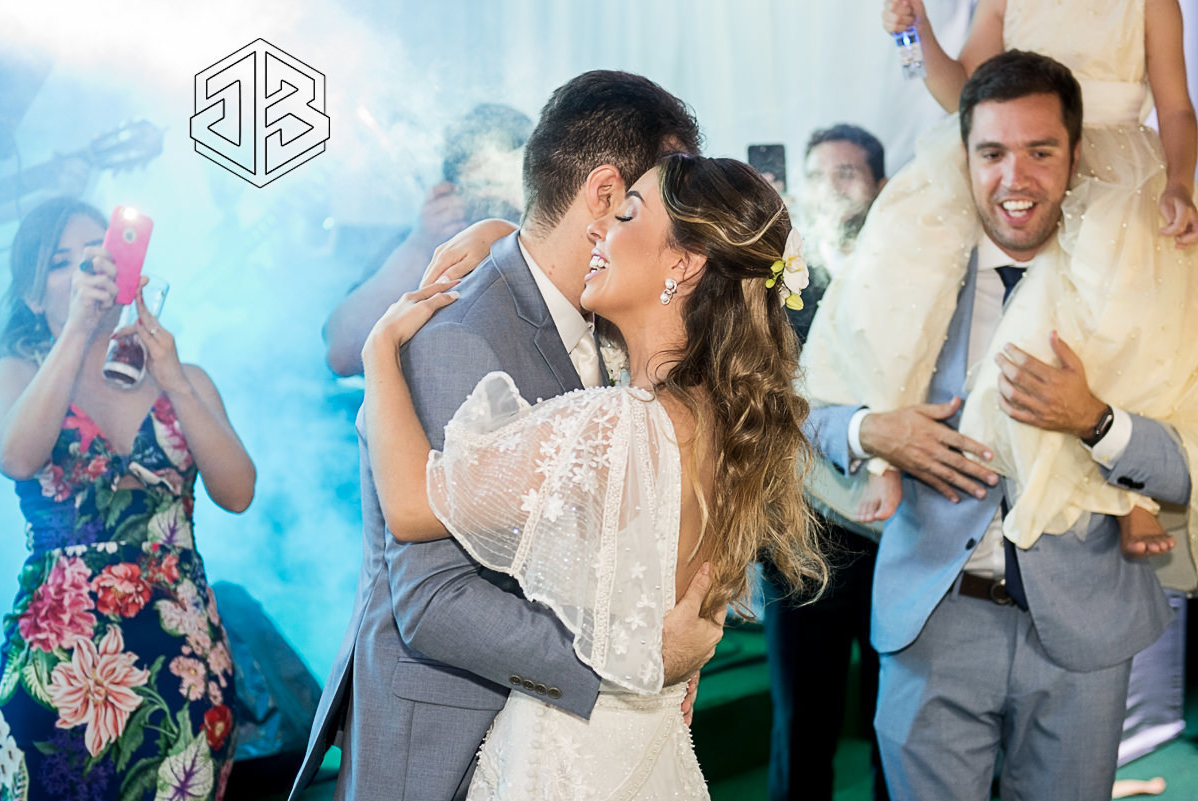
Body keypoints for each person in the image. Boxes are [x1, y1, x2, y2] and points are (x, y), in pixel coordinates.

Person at [289, 71, 724, 801]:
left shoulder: (627, 325)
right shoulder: (460, 335)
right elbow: (431, 599)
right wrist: (628, 665)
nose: (684, 222)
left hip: (573, 743)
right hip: (450, 736)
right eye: (662, 201)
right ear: (606, 196)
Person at [363, 152, 826, 799]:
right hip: (649, 755)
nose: (599, 228)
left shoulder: (613, 428)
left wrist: (380, 352)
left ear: (683, 263)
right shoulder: (724, 425)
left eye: (627, 215)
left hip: (567, 767)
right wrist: (503, 233)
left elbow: (413, 506)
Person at [804, 50, 1195, 801]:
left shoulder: (1138, 289)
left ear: (1076, 157)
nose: (1015, 177)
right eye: (993, 153)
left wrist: (1097, 422)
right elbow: (809, 411)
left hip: (1085, 636)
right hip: (934, 626)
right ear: (965, 158)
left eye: (1040, 151)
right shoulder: (907, 272)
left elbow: (1183, 468)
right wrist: (871, 432)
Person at [807, 0, 1197, 560]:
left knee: (1124, 318)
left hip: (1114, 174)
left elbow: (1177, 107)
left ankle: (1131, 497)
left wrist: (1179, 183)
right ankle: (884, 449)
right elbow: (962, 94)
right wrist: (919, 33)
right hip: (1017, 143)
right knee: (902, 259)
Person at [0, 198, 256, 800]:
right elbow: (17, 459)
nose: (87, 270)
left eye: (100, 254)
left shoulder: (184, 375)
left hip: (181, 660)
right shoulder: (17, 373)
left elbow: (238, 492)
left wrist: (174, 381)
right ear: (33, 295)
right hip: (55, 658)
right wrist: (77, 329)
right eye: (62, 263)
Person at [761, 123, 889, 801]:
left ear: (881, 187)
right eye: (818, 175)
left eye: (847, 173)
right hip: (799, 532)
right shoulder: (776, 275)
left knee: (895, 721)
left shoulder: (908, 277)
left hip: (894, 530)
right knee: (801, 723)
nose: (830, 188)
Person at [323, 103, 532, 376]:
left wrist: (532, 224)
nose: (490, 201)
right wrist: (421, 246)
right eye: (478, 187)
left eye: (501, 185)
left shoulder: (554, 239)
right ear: (450, 189)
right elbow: (342, 354)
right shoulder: (424, 243)